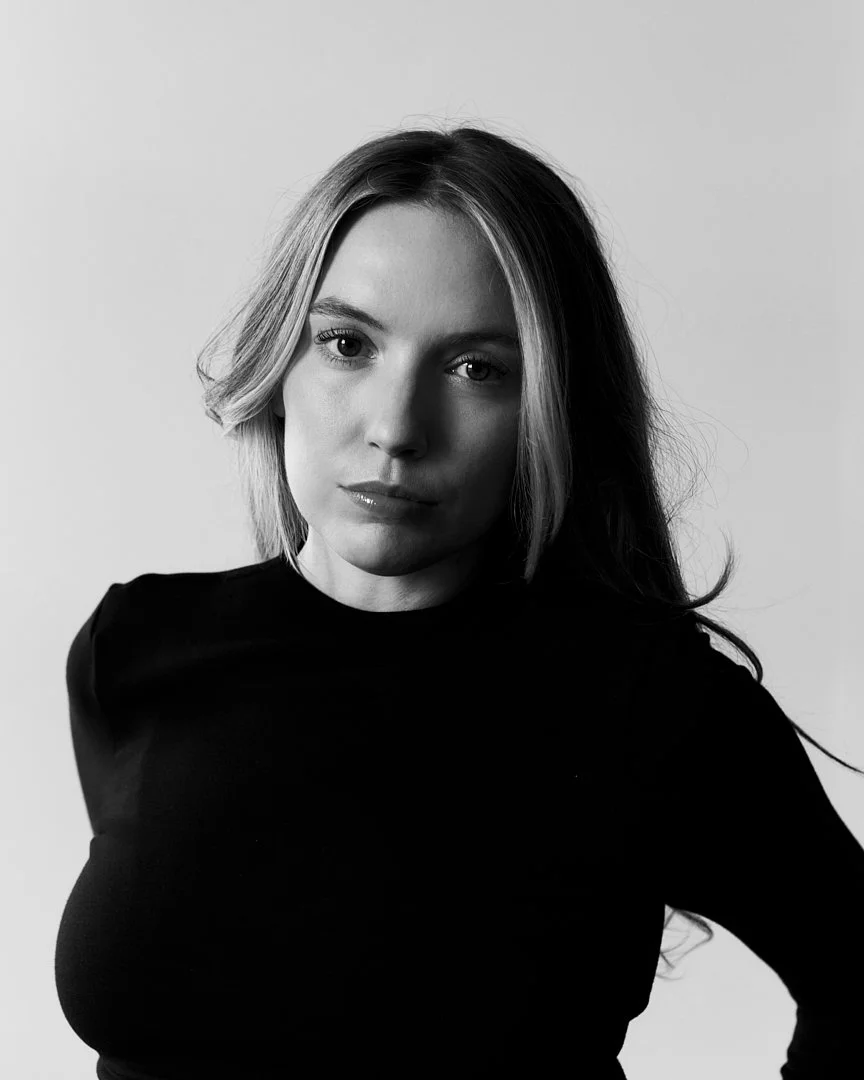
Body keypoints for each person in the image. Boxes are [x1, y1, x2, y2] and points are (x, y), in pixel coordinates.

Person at [55, 124, 864, 1079]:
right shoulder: (139, 645)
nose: (396, 429)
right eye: (347, 344)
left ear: (550, 406)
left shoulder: (658, 706)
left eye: (478, 368)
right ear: (281, 363)